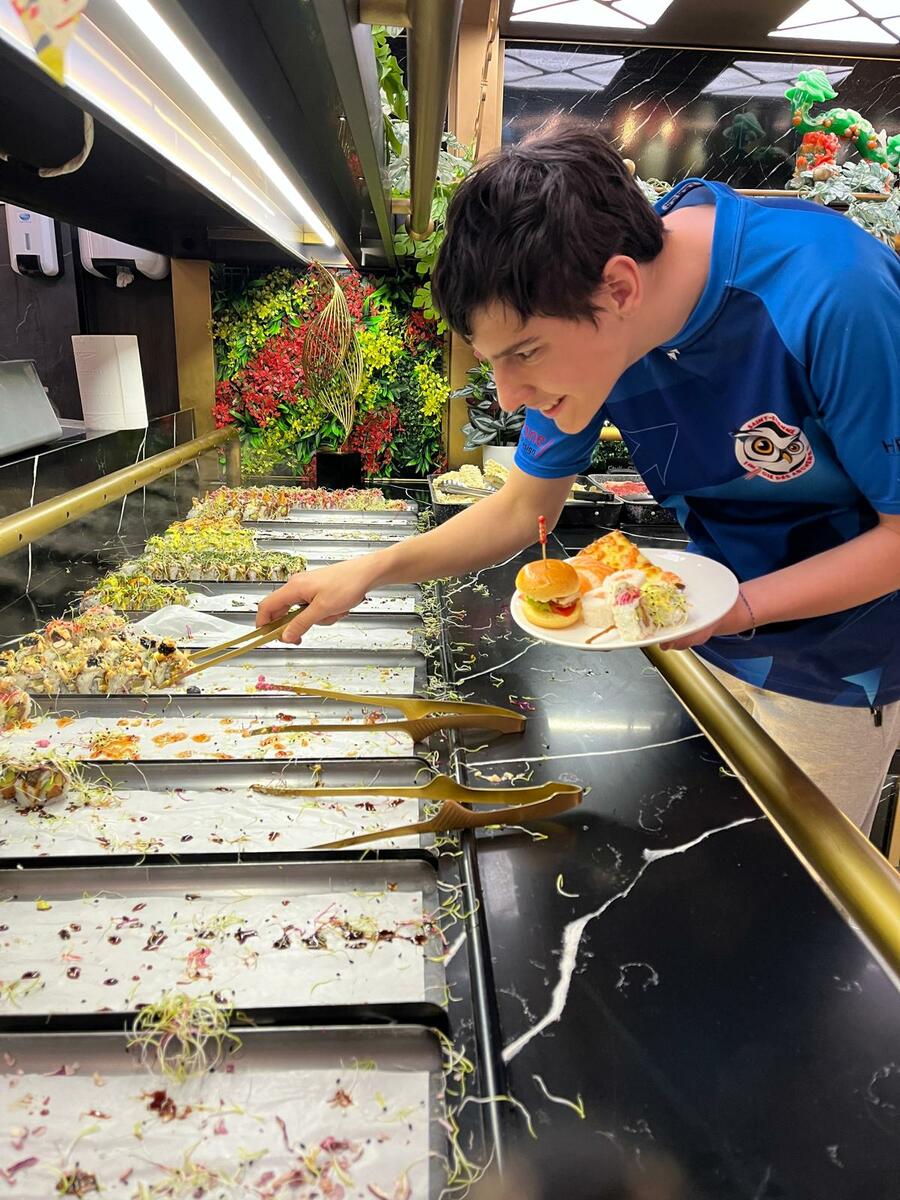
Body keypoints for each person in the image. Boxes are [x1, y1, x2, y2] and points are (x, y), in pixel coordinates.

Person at [258, 118, 900, 836]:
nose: (508, 397)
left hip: (840, 670)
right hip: (705, 633)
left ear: (620, 288)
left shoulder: (835, 292)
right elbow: (522, 508)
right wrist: (371, 570)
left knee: (800, 883)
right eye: (495, 360)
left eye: (525, 353)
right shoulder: (584, 312)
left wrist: (740, 606)